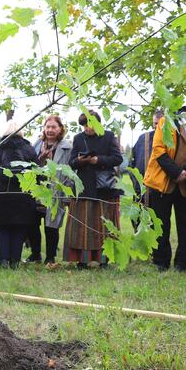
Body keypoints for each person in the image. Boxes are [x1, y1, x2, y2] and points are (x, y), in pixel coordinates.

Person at [143, 96, 186, 271]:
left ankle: (182, 263)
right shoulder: (167, 122)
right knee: (161, 223)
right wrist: (175, 172)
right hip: (162, 182)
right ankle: (161, 261)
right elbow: (158, 149)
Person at [63, 111, 123, 268]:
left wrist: (99, 160)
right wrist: (81, 160)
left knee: (105, 226)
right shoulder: (78, 138)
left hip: (105, 189)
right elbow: (71, 162)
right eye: (84, 125)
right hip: (83, 188)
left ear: (97, 123)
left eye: (89, 124)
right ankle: (82, 260)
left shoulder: (109, 136)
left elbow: (118, 158)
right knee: (82, 226)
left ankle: (105, 260)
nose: (86, 128)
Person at [0, 120, 39, 269]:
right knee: (19, 228)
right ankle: (15, 261)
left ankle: (3, 261)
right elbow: (38, 173)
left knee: (2, 228)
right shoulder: (29, 149)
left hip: (2, 194)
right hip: (23, 194)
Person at [27, 115, 73, 264]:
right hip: (37, 190)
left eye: (54, 127)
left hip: (56, 190)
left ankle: (50, 257)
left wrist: (67, 195)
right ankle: (35, 254)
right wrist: (41, 158)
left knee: (52, 225)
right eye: (47, 127)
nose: (50, 130)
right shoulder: (36, 144)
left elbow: (71, 172)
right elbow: (31, 166)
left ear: (60, 129)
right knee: (32, 223)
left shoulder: (67, 147)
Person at [129, 111, 162, 230]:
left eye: (159, 124)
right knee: (136, 218)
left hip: (158, 190)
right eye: (155, 123)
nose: (156, 127)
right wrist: (135, 182)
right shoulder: (144, 138)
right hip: (140, 187)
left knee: (157, 221)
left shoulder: (169, 141)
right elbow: (132, 162)